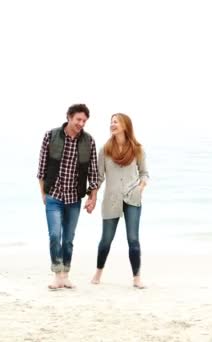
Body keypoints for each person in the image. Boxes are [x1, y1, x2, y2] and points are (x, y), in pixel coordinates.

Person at [37, 103, 99, 290]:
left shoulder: (89, 141)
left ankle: (65, 275)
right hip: (54, 195)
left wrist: (92, 197)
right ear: (69, 117)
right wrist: (43, 194)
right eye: (78, 119)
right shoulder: (51, 135)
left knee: (69, 238)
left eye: (84, 121)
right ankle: (57, 275)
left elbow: (93, 173)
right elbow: (41, 169)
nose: (81, 123)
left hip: (74, 198)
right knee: (55, 235)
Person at [91, 113, 149, 289]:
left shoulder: (138, 149)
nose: (112, 124)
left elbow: (144, 173)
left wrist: (141, 186)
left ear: (125, 125)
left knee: (133, 239)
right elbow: (99, 177)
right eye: (111, 122)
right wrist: (92, 195)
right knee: (106, 239)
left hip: (132, 198)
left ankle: (136, 278)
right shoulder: (105, 150)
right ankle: (98, 272)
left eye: (116, 122)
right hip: (111, 199)